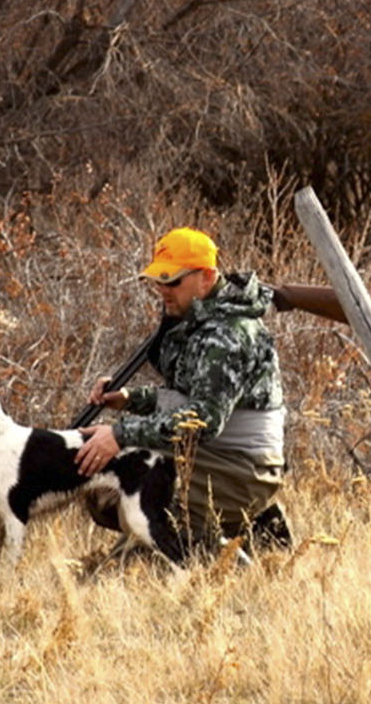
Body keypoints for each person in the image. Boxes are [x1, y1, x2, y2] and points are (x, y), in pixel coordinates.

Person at [75, 226, 293, 554]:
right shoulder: (197, 319)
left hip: (240, 467)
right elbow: (189, 395)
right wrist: (130, 399)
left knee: (136, 542)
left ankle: (223, 540)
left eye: (173, 281)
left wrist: (120, 434)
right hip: (215, 457)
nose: (163, 290)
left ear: (207, 278)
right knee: (101, 485)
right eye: (158, 281)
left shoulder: (228, 334)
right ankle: (234, 535)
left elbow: (204, 419)